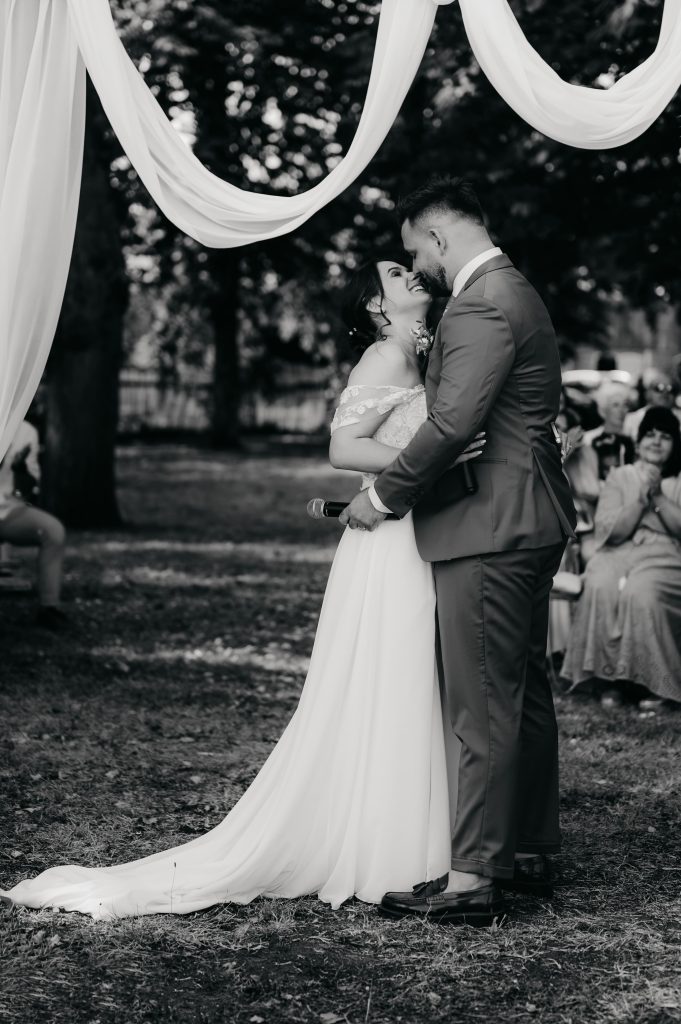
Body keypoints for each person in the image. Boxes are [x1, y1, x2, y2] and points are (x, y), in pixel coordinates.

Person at [0, 254, 483, 920]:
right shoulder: (385, 359)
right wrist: (440, 452)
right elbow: (342, 451)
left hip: (409, 534)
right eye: (396, 275)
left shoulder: (418, 356)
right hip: (388, 543)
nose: (410, 277)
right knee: (392, 679)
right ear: (377, 306)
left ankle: (416, 837)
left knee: (406, 682)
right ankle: (392, 849)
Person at [341, 176, 577, 923]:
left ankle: (475, 876)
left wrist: (378, 498)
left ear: (441, 237)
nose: (421, 267)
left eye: (418, 251)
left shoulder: (480, 303)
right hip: (526, 516)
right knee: (522, 691)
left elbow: (448, 426)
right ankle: (529, 847)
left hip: (488, 524)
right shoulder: (518, 292)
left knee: (481, 702)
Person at [561, 407, 681, 708]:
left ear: (675, 445)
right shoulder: (620, 476)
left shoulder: (678, 480)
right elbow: (611, 531)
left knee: (641, 593)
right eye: (650, 435)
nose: (656, 442)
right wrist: (641, 498)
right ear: (638, 443)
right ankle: (609, 681)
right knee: (601, 584)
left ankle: (657, 686)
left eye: (665, 437)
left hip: (666, 552)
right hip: (619, 549)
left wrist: (658, 498)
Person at [0, 418, 67, 628]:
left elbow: (26, 493)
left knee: (53, 531)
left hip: (7, 509)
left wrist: (20, 470)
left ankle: (49, 607)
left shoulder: (25, 430)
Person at [584, 381, 635, 481]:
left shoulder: (632, 439)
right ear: (603, 409)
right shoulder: (588, 439)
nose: (621, 410)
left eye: (625, 405)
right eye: (615, 405)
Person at [623, 368, 681, 440]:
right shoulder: (631, 420)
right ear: (648, 393)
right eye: (659, 388)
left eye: (671, 389)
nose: (665, 393)